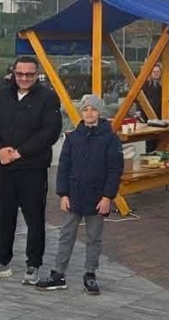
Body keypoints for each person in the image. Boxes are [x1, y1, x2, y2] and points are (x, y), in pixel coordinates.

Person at [0, 55, 62, 283]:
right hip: (5, 168)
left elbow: (50, 132)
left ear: (37, 74)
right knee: (4, 217)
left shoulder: (48, 98)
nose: (24, 78)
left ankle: (33, 264)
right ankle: (2, 261)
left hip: (33, 169)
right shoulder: (1, 94)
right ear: (13, 73)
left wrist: (20, 152)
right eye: (20, 74)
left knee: (34, 219)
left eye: (29, 74)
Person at [37, 94, 123, 294]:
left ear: (99, 112)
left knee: (94, 237)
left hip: (98, 197)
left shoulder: (110, 139)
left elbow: (115, 170)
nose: (89, 113)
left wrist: (108, 197)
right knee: (66, 235)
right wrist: (63, 194)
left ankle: (90, 274)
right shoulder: (73, 138)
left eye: (93, 109)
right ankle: (59, 273)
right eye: (85, 109)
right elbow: (64, 167)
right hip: (74, 195)